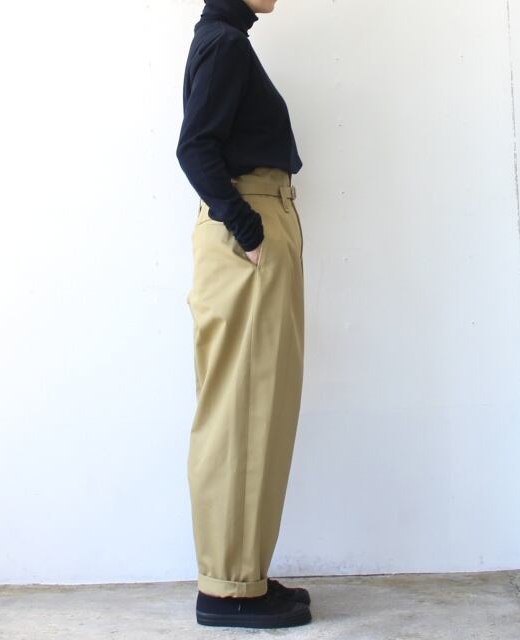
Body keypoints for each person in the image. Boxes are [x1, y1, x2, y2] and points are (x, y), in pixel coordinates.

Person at [176, 0, 310, 629]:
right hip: (246, 234)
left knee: (252, 408)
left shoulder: (222, 38)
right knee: (244, 411)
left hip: (250, 229)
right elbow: (194, 147)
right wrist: (249, 227)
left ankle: (241, 576)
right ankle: (229, 590)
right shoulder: (224, 42)